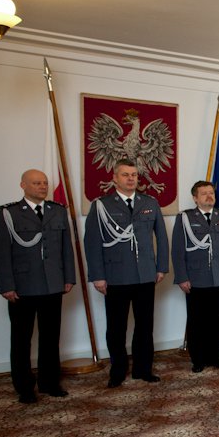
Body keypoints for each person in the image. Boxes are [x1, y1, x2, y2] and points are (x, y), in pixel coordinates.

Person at [0, 170, 76, 404]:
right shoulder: (9, 213)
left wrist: (68, 277)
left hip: (52, 284)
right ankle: (24, 387)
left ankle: (50, 382)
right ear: (23, 185)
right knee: (21, 340)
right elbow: (0, 252)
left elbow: (66, 248)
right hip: (23, 286)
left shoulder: (57, 211)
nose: (42, 186)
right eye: (36, 183)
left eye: (45, 183)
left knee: (50, 337)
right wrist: (6, 285)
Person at [85, 159, 168, 387]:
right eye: (125, 175)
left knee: (145, 326)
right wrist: (97, 275)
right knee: (116, 328)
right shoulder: (101, 205)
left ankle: (143, 369)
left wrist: (161, 267)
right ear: (115, 178)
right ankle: (118, 371)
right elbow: (92, 243)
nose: (131, 178)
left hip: (145, 274)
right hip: (116, 275)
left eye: (134, 175)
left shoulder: (149, 203)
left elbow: (161, 237)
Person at [172, 181, 219, 372]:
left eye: (211, 193)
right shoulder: (185, 218)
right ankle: (198, 359)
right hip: (195, 278)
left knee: (217, 320)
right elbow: (177, 251)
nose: (209, 196)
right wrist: (182, 277)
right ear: (195, 198)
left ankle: (216, 357)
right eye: (204, 194)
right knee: (197, 321)